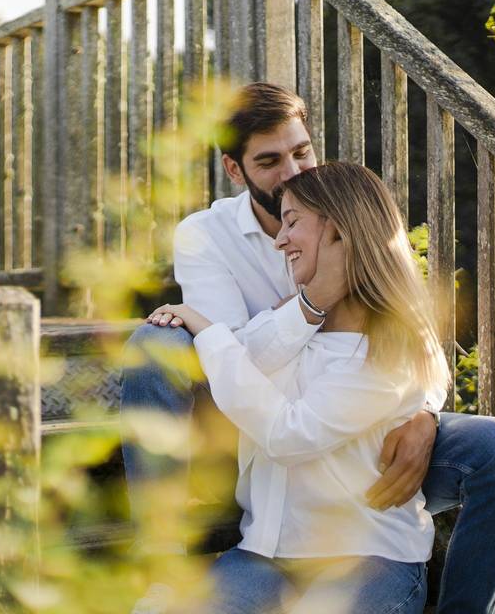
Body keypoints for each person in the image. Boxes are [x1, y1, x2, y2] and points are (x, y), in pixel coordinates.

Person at [121, 83, 495, 614]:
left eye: (301, 151)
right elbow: (233, 360)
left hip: (352, 438)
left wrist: (425, 412)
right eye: (269, 161)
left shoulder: (347, 207)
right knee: (154, 342)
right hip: (248, 431)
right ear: (234, 169)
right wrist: (314, 301)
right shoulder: (206, 235)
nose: (293, 171)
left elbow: (414, 331)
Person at [156, 161, 446, 612]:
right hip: (263, 556)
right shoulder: (290, 325)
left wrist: (206, 329)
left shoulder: (389, 353)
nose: (279, 239)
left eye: (292, 222)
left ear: (340, 233)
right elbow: (241, 361)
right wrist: (308, 304)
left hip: (369, 560)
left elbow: (287, 436)